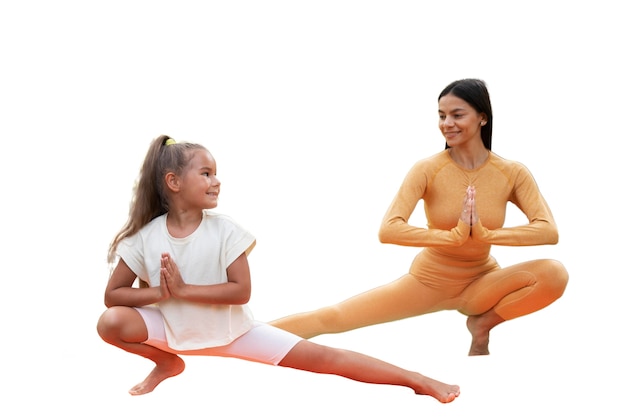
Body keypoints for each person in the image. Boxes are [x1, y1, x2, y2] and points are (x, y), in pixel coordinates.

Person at [96, 134, 460, 403]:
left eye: (215, 173)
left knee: (325, 359)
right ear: (173, 183)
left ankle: (416, 380)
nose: (216, 180)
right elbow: (114, 296)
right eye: (205, 173)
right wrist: (160, 293)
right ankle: (167, 364)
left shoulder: (225, 231)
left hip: (232, 332)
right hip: (172, 331)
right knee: (110, 322)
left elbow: (241, 291)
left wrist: (184, 290)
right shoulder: (146, 237)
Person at [271, 78, 569, 356]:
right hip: (428, 281)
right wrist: (452, 236)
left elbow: (547, 231)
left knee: (554, 273)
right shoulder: (428, 169)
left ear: (483, 117)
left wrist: (485, 235)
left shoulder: (512, 173)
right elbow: (389, 229)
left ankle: (482, 324)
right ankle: (243, 337)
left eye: (457, 115)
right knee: (332, 318)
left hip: (481, 282)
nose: (447, 124)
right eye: (441, 116)